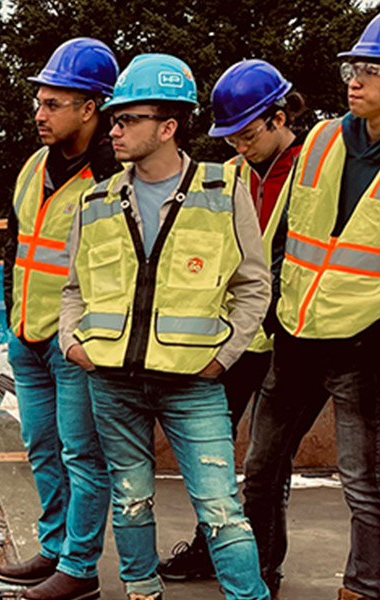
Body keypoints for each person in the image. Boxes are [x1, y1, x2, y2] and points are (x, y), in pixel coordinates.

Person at [59, 54, 271, 600]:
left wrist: (223, 357)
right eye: (115, 118)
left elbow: (253, 285)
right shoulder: (97, 199)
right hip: (112, 381)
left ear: (168, 127)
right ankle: (141, 593)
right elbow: (74, 289)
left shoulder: (223, 191)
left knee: (222, 508)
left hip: (193, 383)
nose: (115, 129)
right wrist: (72, 341)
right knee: (130, 500)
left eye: (129, 118)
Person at [242, 17, 380, 600]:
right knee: (261, 469)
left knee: (364, 485)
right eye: (354, 68)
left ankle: (363, 587)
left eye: (371, 71)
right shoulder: (322, 139)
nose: (356, 80)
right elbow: (284, 232)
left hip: (363, 348)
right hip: (297, 335)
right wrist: (273, 305)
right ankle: (257, 575)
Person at [158, 60, 306, 588]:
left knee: (267, 460)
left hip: (291, 335)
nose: (239, 147)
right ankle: (213, 548)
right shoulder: (234, 175)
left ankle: (260, 562)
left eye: (247, 135)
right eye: (231, 138)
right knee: (211, 452)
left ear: (279, 117)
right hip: (238, 334)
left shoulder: (312, 166)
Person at [0, 37, 119, 600]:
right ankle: (53, 548)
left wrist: (92, 339)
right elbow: (13, 247)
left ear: (90, 108)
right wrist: (12, 314)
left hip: (77, 343)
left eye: (54, 104)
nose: (39, 114)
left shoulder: (113, 177)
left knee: (83, 455)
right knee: (43, 447)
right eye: (39, 102)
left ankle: (79, 566)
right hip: (27, 334)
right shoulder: (32, 167)